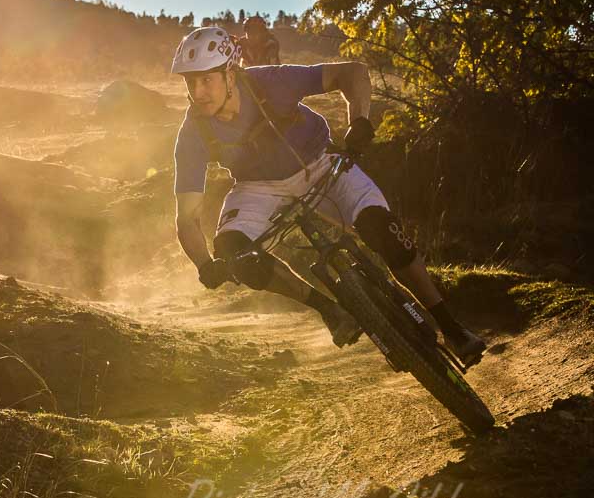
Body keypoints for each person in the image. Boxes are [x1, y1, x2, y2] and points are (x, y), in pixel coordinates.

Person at [171, 26, 487, 366]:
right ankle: (329, 309)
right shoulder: (193, 133)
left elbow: (352, 73)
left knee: (383, 231)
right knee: (234, 252)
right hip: (257, 186)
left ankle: (451, 328)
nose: (198, 91)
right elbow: (186, 217)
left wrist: (360, 121)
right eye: (191, 82)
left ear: (231, 73)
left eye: (207, 80)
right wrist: (205, 264)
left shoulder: (270, 82)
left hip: (319, 163)